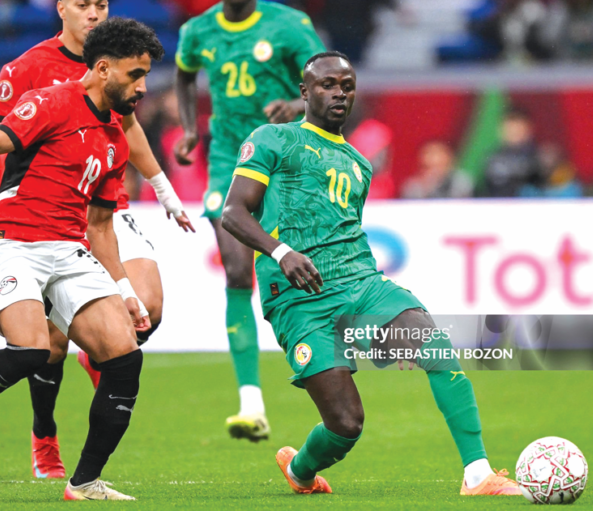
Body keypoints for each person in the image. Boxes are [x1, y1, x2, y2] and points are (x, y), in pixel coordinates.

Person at [220, 51, 523, 497]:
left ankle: (477, 474)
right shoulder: (273, 139)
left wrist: (384, 327)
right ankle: (302, 469)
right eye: (327, 85)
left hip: (361, 286)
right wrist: (282, 251)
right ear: (304, 93)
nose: (339, 92)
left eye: (347, 85)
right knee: (345, 425)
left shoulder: (360, 165)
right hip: (298, 300)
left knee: (435, 346)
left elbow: (343, 232)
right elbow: (233, 213)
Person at [0, 18, 163, 501]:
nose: (143, 87)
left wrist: (126, 291)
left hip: (70, 249)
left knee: (125, 357)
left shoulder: (115, 140)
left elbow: (102, 225)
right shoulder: (52, 101)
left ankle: (84, 482)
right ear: (104, 68)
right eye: (135, 75)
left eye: (146, 76)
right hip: (11, 240)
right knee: (31, 351)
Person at [0, 0, 194, 478]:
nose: (93, 13)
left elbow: (128, 126)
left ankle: (98, 345)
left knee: (149, 307)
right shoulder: (27, 69)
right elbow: (8, 143)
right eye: (83, 4)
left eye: (101, 4)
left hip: (108, 207)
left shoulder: (120, 59)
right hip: (53, 214)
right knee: (51, 347)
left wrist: (165, 190)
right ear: (61, 7)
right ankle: (44, 434)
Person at [174, 0, 325, 441]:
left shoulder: (288, 25)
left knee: (307, 271)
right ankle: (252, 404)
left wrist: (296, 107)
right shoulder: (198, 31)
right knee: (238, 271)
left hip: (286, 155)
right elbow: (184, 75)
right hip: (228, 158)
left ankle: (324, 376)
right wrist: (189, 128)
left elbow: (329, 80)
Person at [482, 107, 543, 197]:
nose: (514, 134)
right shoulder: (491, 159)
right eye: (510, 130)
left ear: (528, 129)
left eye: (518, 130)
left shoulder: (540, 158)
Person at [402, 141, 474, 199]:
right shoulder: (413, 187)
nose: (432, 173)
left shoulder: (460, 181)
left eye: (436, 167)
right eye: (426, 168)